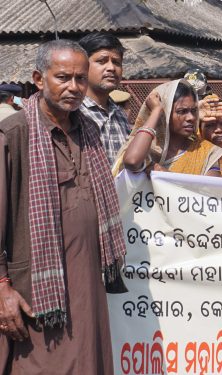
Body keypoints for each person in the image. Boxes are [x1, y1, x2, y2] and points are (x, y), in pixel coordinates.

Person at [0, 39, 127, 374]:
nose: (74, 87)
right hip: (37, 292)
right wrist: (2, 290)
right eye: (63, 78)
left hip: (87, 284)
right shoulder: (14, 135)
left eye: (80, 79)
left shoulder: (88, 132)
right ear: (39, 79)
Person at [114, 80, 222, 176]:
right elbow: (132, 161)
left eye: (194, 111)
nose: (191, 118)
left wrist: (167, 177)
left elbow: (212, 192)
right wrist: (157, 111)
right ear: (165, 114)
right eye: (182, 111)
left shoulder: (206, 152)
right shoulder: (148, 149)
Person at [77, 32, 131, 165]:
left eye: (117, 62)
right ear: (83, 66)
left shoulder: (119, 114)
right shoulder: (74, 113)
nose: (111, 68)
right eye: (102, 61)